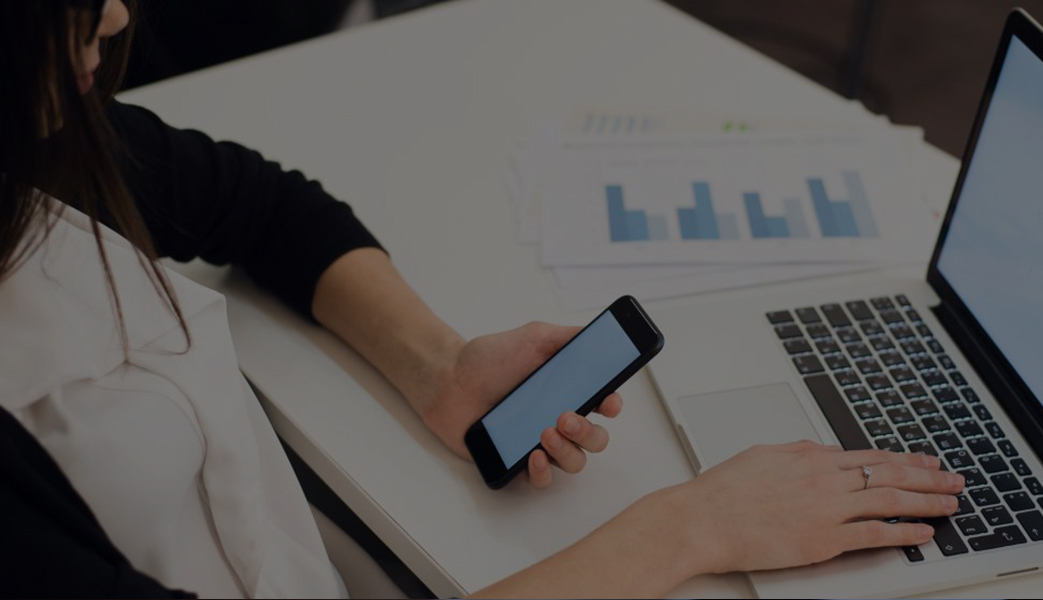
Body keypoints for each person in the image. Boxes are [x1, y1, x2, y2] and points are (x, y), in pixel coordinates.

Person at [0, 1, 965, 597]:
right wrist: (693, 528)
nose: (117, 15)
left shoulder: (45, 146)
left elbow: (261, 209)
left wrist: (439, 367)